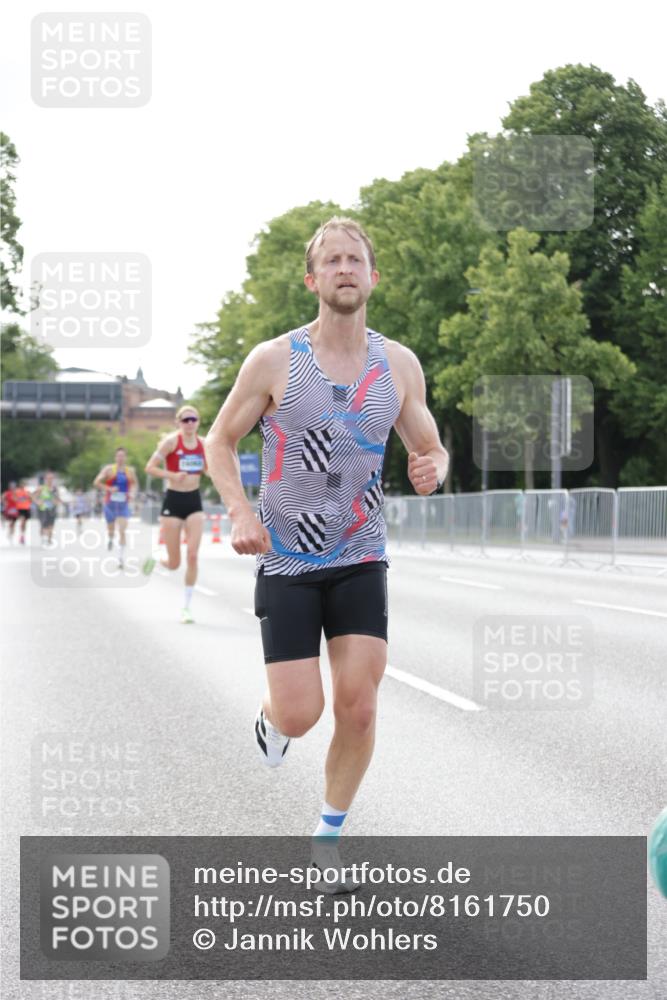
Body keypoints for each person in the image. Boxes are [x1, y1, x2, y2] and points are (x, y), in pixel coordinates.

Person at [205, 217, 448, 889]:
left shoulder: (397, 365)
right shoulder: (273, 360)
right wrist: (239, 511)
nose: (345, 268)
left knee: (359, 706)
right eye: (332, 261)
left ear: (373, 277)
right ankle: (272, 720)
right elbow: (219, 440)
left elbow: (428, 445)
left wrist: (433, 467)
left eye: (355, 260)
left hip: (360, 555)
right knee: (299, 713)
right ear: (312, 280)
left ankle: (327, 838)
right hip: (287, 559)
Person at [142, 404, 208, 624]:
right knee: (174, 564)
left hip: (194, 500)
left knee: (193, 555)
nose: (190, 423)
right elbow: (150, 467)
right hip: (173, 501)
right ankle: (156, 557)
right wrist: (172, 475)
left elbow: (209, 468)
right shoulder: (171, 442)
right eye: (185, 420)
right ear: (178, 422)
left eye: (193, 419)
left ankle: (186, 607)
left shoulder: (204, 444)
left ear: (198, 422)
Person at [93, 448, 138, 568]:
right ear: (115, 457)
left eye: (122, 456)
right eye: (118, 456)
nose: (120, 458)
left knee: (122, 530)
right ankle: (110, 539)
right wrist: (109, 488)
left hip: (123, 504)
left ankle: (120, 558)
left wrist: (132, 493)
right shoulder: (109, 469)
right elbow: (96, 482)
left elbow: (134, 483)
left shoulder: (129, 471)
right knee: (111, 530)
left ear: (125, 457)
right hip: (110, 504)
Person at [33, 472, 60, 547]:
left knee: (51, 525)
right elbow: (34, 497)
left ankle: (49, 539)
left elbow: (58, 498)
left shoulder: (55, 488)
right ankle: (44, 538)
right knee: (44, 525)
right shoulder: (41, 488)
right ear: (45, 479)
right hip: (42, 509)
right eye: (48, 478)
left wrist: (56, 502)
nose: (50, 480)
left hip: (52, 509)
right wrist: (38, 502)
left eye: (51, 478)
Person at [14, 481, 33, 545]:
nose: (22, 485)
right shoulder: (17, 491)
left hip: (26, 509)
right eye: (21, 484)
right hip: (20, 509)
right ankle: (21, 536)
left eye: (23, 484)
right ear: (20, 485)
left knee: (25, 523)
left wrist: (30, 498)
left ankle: (23, 535)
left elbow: (31, 500)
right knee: (22, 521)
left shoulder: (27, 492)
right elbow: (14, 499)